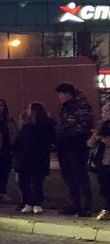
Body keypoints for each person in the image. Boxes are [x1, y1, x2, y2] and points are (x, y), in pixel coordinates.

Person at [54, 81, 95, 216]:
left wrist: (67, 135)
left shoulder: (81, 106)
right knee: (69, 176)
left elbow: (84, 125)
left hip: (76, 147)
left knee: (80, 176)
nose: (59, 97)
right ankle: (74, 204)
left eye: (60, 94)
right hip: (64, 147)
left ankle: (85, 206)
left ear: (67, 94)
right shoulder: (66, 108)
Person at [13, 101, 54, 215]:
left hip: (38, 157)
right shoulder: (26, 125)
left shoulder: (46, 125)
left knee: (37, 182)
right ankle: (28, 202)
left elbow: (48, 140)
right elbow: (20, 140)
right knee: (24, 181)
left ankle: (37, 203)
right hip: (25, 158)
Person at [92, 117, 110, 220]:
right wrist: (96, 136)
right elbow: (90, 144)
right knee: (104, 187)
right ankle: (106, 209)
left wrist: (104, 139)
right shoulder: (101, 126)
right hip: (102, 162)